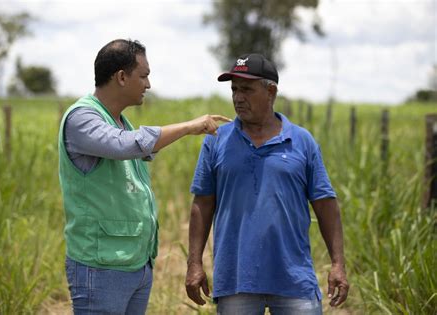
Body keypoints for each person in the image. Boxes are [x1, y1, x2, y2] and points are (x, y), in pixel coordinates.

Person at [58, 38, 230, 315]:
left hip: (133, 262)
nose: (148, 85)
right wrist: (189, 126)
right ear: (122, 77)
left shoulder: (118, 120)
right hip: (101, 266)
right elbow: (124, 145)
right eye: (144, 76)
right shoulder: (82, 118)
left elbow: (133, 146)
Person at [185, 53, 349, 314]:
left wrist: (338, 263)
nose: (238, 97)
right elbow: (202, 204)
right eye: (234, 90)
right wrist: (194, 264)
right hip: (236, 280)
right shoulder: (216, 140)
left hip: (294, 279)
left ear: (271, 91)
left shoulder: (302, 142)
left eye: (247, 89)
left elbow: (325, 204)